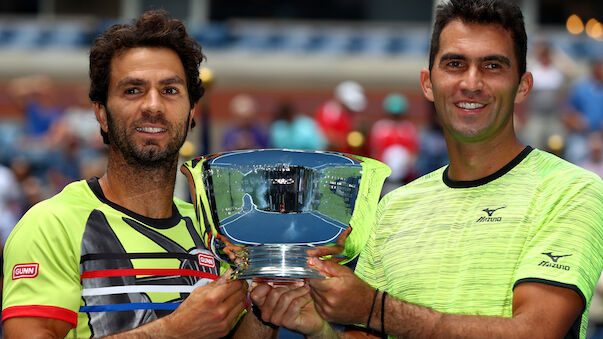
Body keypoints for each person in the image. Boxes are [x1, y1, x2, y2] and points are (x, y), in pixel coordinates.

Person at [249, 1, 603, 338]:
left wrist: (373, 309)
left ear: (523, 86)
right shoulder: (395, 207)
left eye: (493, 66)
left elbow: (536, 333)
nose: (471, 83)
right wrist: (318, 329)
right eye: (454, 64)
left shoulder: (571, 190)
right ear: (428, 83)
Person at [2, 10, 275, 338]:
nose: (153, 105)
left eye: (170, 90)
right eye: (133, 90)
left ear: (192, 114)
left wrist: (265, 311)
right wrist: (174, 331)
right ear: (102, 115)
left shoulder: (216, 235)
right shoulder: (52, 224)